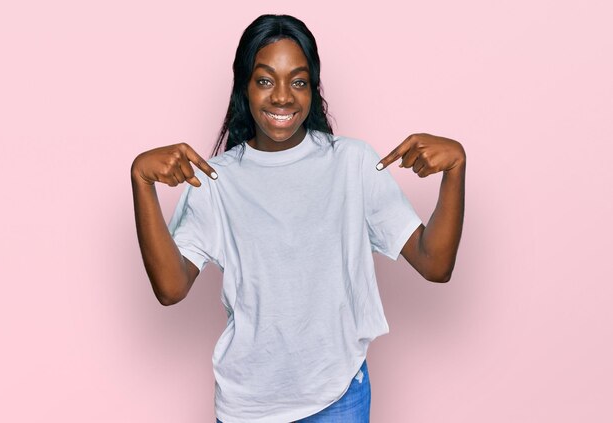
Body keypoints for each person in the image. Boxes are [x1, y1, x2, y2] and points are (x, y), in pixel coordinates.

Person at [130, 14, 465, 423]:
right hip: (247, 407)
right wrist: (141, 182)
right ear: (244, 87)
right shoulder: (217, 179)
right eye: (266, 80)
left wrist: (455, 171)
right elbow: (170, 287)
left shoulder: (352, 163)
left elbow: (435, 264)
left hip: (338, 396)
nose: (283, 97)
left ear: (313, 88)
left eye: (299, 81)